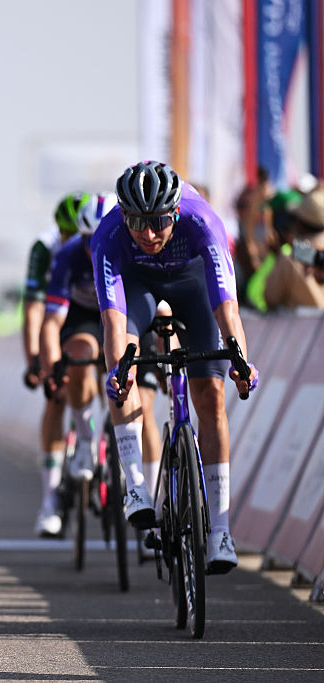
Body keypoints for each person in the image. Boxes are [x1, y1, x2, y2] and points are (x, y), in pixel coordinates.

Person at [95, 160, 259, 574]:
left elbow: (227, 305)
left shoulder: (203, 221)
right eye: (137, 222)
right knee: (122, 369)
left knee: (212, 396)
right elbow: (115, 321)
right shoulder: (109, 236)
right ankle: (135, 487)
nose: (148, 234)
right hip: (138, 286)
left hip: (193, 284)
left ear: (175, 213)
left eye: (158, 223)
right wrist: (120, 371)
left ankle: (219, 529)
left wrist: (239, 357)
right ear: (123, 215)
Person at [39, 194, 164, 497]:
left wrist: (162, 356)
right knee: (80, 355)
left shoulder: (137, 247)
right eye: (86, 241)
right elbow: (51, 321)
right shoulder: (67, 257)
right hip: (86, 316)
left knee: (143, 408)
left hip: (128, 312)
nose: (93, 249)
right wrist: (52, 366)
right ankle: (85, 441)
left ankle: (155, 499)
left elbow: (162, 303)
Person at [22, 192, 87, 537]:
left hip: (93, 315)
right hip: (57, 313)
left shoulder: (100, 242)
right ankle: (49, 501)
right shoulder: (44, 249)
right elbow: (32, 308)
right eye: (66, 232)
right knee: (55, 395)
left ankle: (96, 444)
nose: (72, 241)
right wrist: (35, 359)